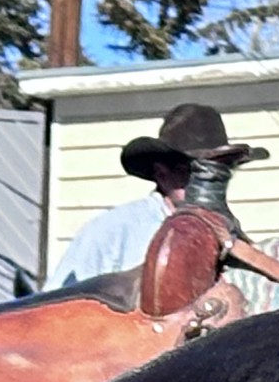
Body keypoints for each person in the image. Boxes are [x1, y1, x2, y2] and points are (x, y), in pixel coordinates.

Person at [46, 103, 260, 290]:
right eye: (189, 170)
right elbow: (59, 306)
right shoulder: (113, 231)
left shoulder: (229, 233)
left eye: (217, 171)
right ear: (161, 172)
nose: (203, 181)